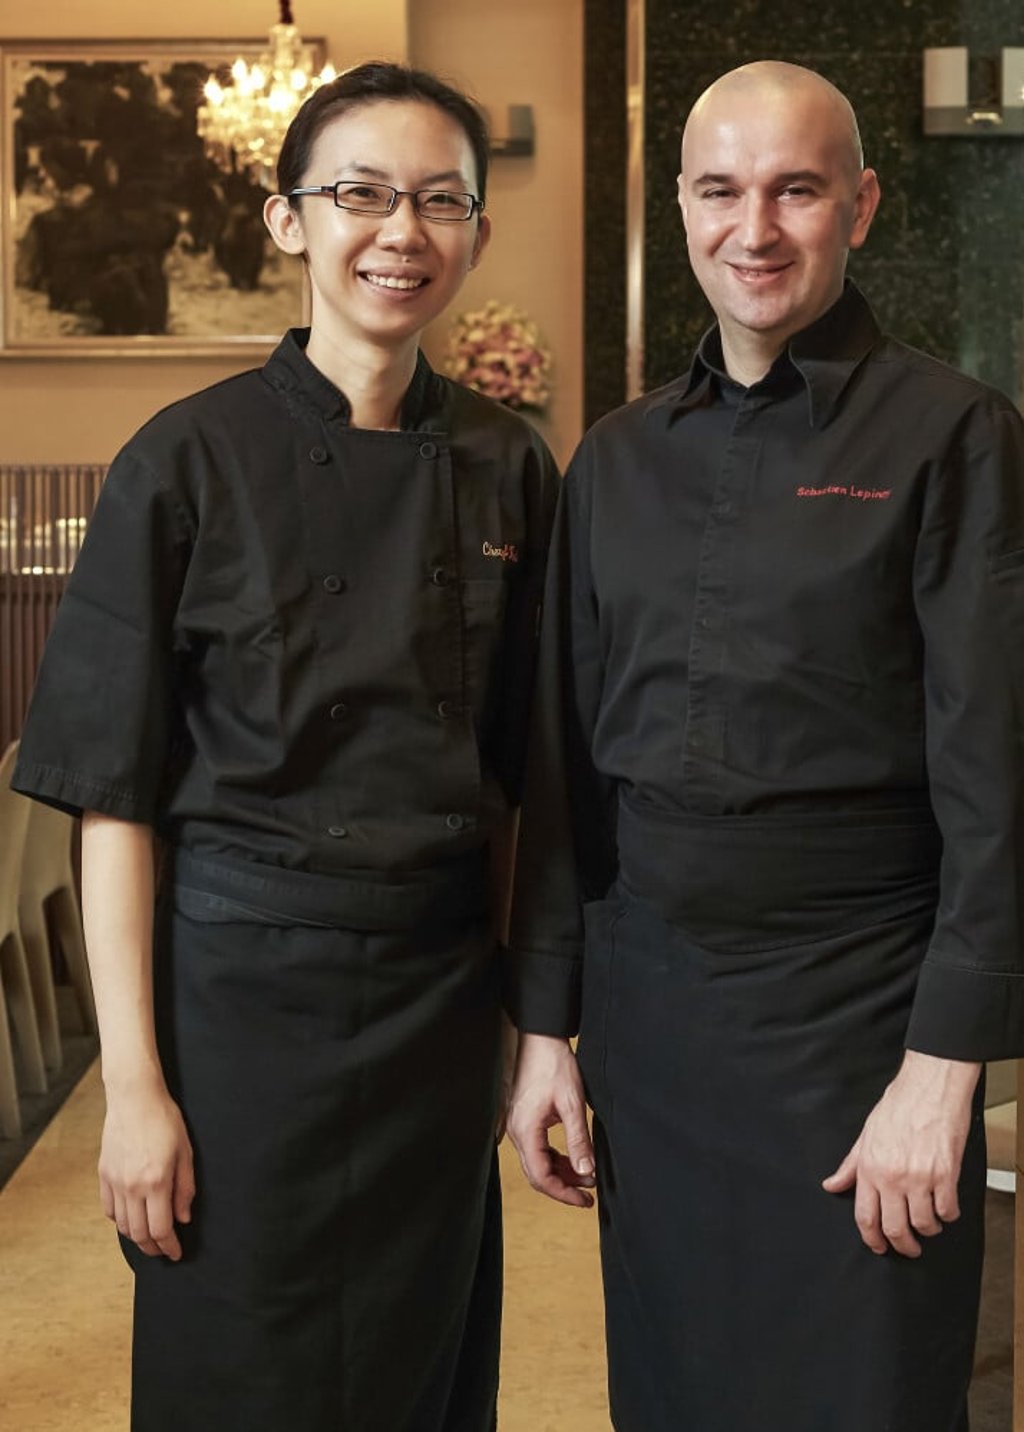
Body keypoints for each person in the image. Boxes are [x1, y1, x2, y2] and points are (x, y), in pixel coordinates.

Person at [12, 62, 558, 1432]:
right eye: (362, 194)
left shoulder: (509, 465)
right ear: (286, 221)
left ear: (479, 234)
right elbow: (114, 801)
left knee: (422, 1372)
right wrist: (131, 1089)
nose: (402, 231)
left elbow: (519, 782)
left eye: (441, 201)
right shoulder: (183, 462)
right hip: (238, 1009)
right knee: (238, 1374)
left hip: (436, 1006)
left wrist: (521, 1026)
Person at [504, 59, 1024, 1432]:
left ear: (859, 202)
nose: (757, 228)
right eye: (722, 190)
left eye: (795, 189)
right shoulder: (612, 460)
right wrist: (546, 1024)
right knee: (677, 1391)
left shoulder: (956, 436)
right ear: (680, 206)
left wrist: (942, 1075)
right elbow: (566, 771)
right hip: (652, 1022)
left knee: (868, 1392)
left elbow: (1000, 781)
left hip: (861, 1024)